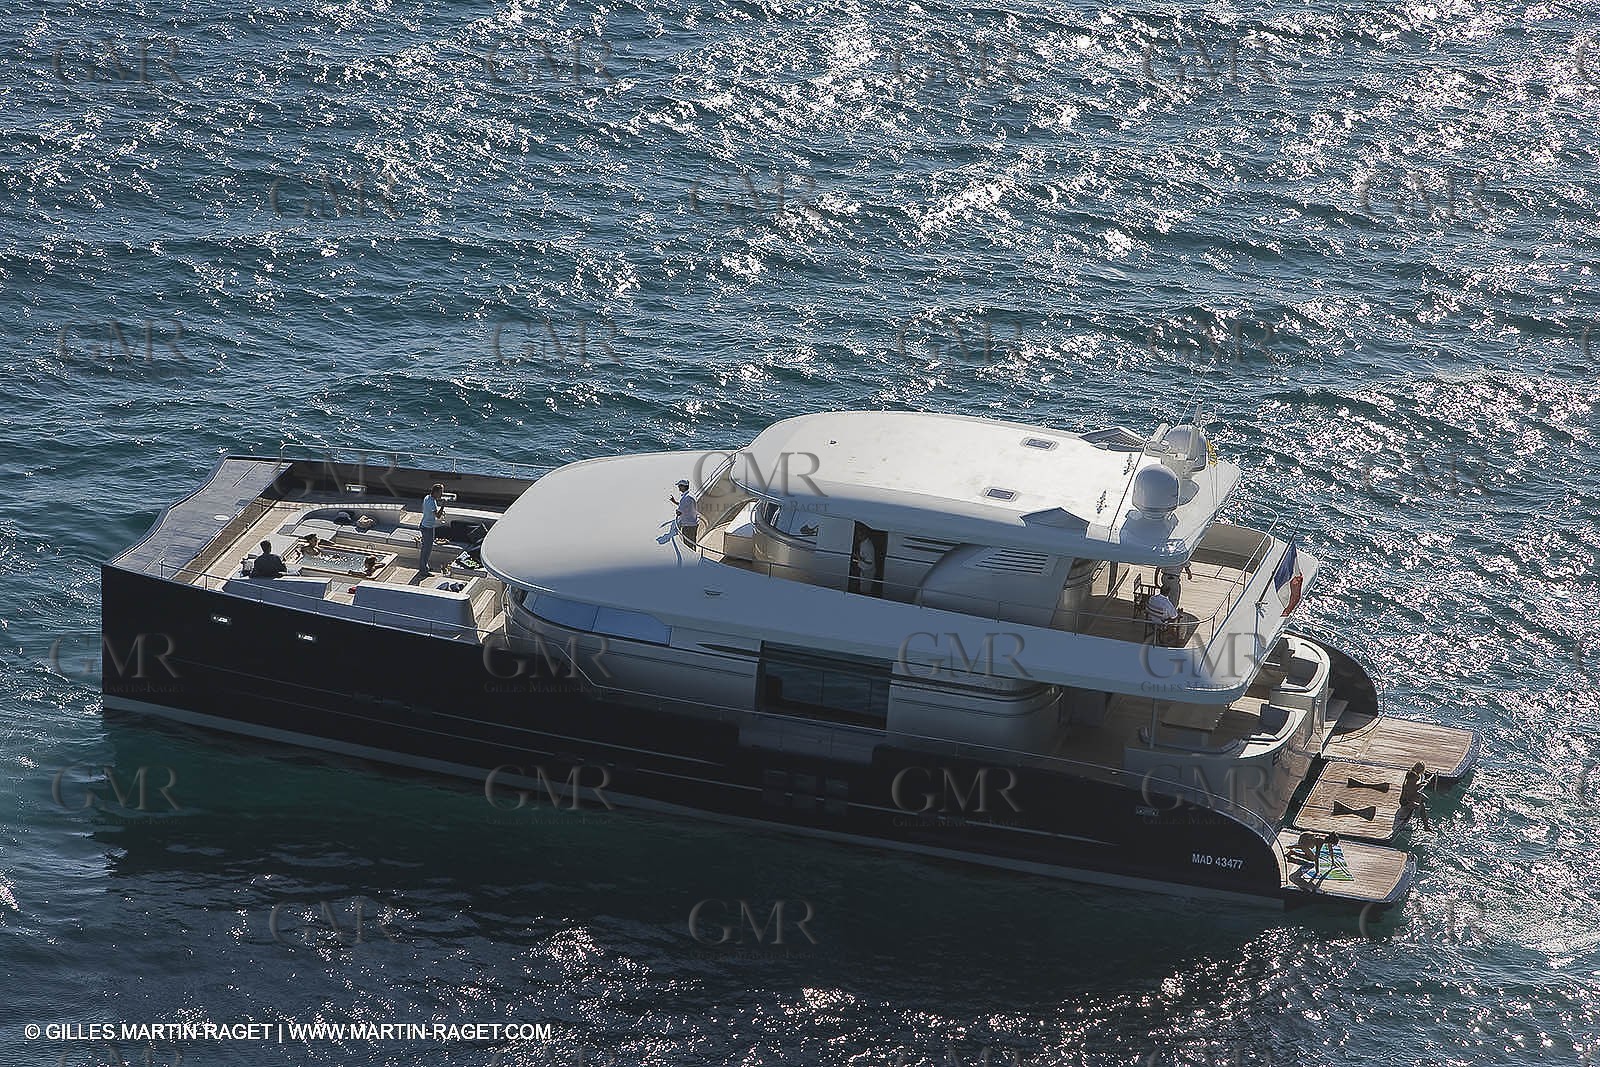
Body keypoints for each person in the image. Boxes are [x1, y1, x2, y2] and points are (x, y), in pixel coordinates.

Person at [1398, 762, 1432, 831]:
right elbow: (1413, 790)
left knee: (1424, 800)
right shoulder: (1412, 778)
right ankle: (1426, 826)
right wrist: (1422, 784)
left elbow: (1413, 788)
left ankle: (1426, 825)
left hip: (1408, 797)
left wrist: (1423, 783)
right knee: (1421, 806)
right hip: (1405, 802)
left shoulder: (1411, 775)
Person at [419, 483, 445, 572]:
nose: (441, 494)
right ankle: (423, 570)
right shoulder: (431, 502)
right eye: (441, 492)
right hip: (428, 528)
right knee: (426, 550)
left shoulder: (428, 497)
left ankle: (425, 567)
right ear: (436, 492)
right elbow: (438, 515)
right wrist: (443, 506)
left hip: (424, 525)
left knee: (426, 549)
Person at [672, 479, 700, 547]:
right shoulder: (690, 495)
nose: (678, 487)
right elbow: (686, 507)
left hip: (688, 525)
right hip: (693, 523)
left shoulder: (685, 498)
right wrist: (675, 502)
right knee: (693, 542)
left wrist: (677, 511)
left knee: (688, 544)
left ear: (683, 486)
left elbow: (679, 512)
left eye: (679, 486)